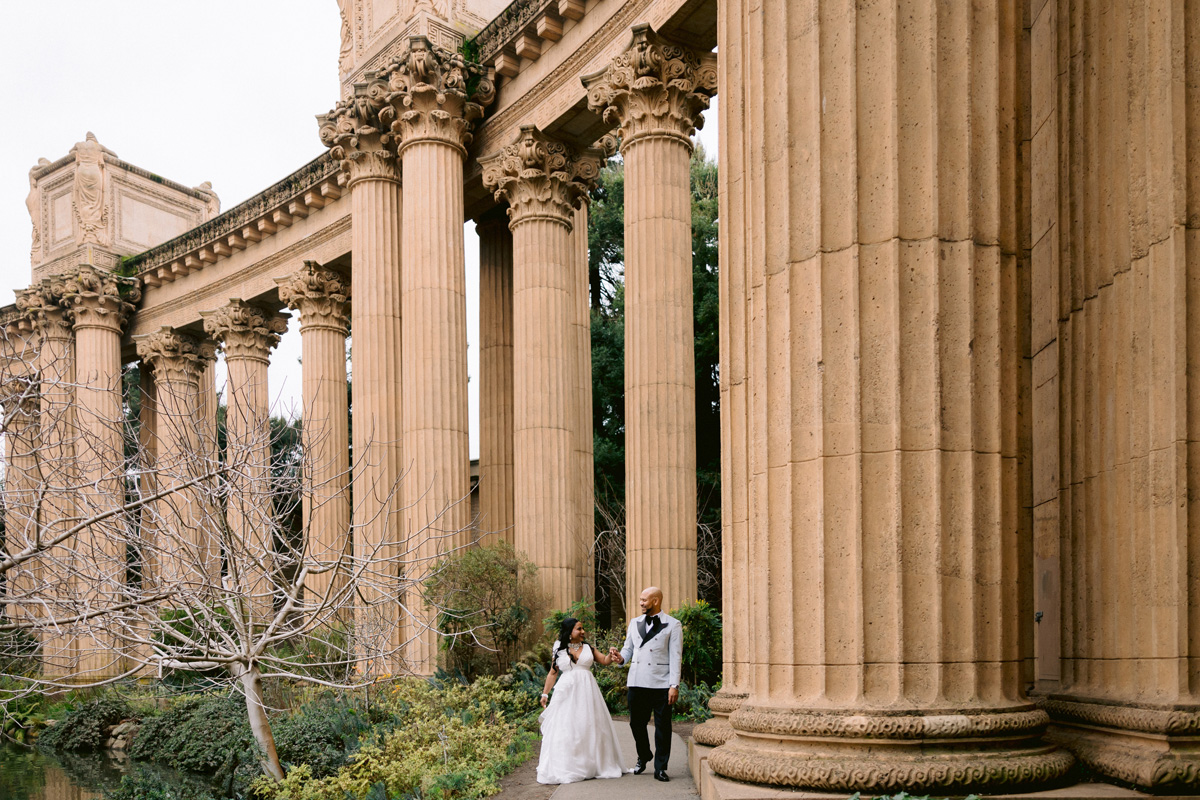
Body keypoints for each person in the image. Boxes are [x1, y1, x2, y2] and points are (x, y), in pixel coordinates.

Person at [536, 616, 625, 784]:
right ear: (569, 632)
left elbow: (604, 661)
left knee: (588, 725)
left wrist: (611, 654)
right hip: (566, 692)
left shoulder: (588, 648)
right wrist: (545, 694)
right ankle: (569, 764)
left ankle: (592, 764)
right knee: (566, 726)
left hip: (587, 691)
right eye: (579, 629)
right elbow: (553, 673)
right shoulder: (559, 649)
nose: (583, 631)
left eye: (583, 628)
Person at [610, 586, 683, 782]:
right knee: (636, 724)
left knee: (662, 728)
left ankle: (660, 767)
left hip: (661, 683)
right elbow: (628, 650)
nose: (641, 603)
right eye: (640, 599)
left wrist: (674, 685)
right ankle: (644, 755)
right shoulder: (634, 623)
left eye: (645, 600)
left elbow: (676, 657)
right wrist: (619, 658)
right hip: (637, 681)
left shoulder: (673, 625)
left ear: (656, 601)